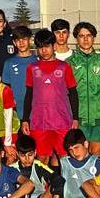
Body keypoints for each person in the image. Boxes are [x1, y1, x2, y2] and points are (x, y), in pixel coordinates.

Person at [22, 31, 77, 161]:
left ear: (54, 46)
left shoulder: (64, 67)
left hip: (62, 121)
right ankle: (42, 182)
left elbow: (73, 93)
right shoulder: (32, 68)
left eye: (47, 46)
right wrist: (25, 119)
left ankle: (62, 182)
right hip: (39, 121)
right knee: (42, 158)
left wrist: (75, 118)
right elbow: (29, 94)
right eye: (40, 47)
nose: (44, 50)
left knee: (64, 158)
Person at [66, 22, 100, 155]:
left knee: (95, 158)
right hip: (78, 118)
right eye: (81, 36)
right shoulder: (69, 63)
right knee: (79, 157)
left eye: (89, 35)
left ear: (94, 38)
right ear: (76, 38)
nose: (85, 39)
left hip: (99, 118)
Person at [0, 24, 37, 125]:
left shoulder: (38, 61)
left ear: (30, 40)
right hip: (16, 113)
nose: (21, 43)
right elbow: (5, 88)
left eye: (24, 39)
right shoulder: (9, 63)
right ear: (14, 43)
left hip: (37, 113)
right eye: (18, 40)